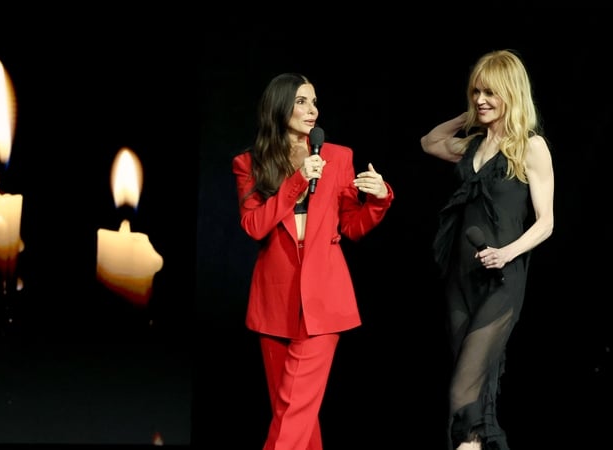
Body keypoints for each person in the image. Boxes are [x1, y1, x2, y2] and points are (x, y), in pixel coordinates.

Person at [232, 72, 394, 450]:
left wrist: (379, 198)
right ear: (279, 106)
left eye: (314, 102)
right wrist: (298, 181)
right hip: (275, 301)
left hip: (323, 297)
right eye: (302, 101)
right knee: (294, 415)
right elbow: (254, 226)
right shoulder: (249, 162)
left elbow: (351, 226)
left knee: (292, 414)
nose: (312, 110)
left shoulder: (338, 156)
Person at [420, 49, 555, 450]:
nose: (481, 99)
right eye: (476, 92)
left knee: (464, 386)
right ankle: (477, 443)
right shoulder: (472, 145)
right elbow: (429, 142)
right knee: (477, 386)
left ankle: (469, 442)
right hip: (460, 278)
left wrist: (507, 253)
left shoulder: (530, 147)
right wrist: (471, 114)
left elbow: (546, 222)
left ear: (511, 93)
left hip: (501, 279)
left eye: (491, 93)